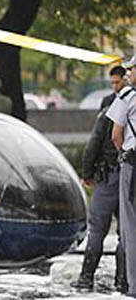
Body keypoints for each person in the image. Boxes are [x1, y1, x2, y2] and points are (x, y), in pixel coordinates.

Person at [71, 65, 127, 292]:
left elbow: (93, 145)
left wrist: (87, 173)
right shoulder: (131, 108)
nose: (115, 87)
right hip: (127, 177)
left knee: (97, 230)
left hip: (106, 178)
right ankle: (123, 281)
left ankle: (86, 278)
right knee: (126, 232)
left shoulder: (107, 111)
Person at [106, 53, 136, 298]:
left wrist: (122, 153)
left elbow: (116, 134)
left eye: (132, 70)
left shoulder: (127, 97)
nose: (129, 74)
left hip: (132, 165)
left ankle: (133, 287)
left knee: (131, 228)